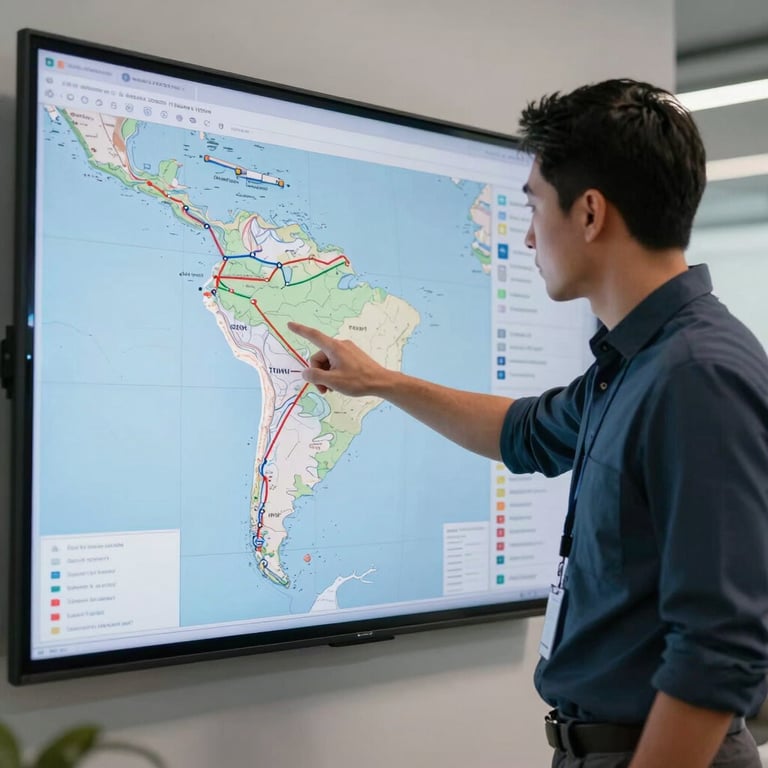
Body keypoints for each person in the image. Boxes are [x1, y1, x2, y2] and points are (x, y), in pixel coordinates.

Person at [288, 78, 768, 767]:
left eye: (534, 204)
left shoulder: (696, 375)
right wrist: (380, 382)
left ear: (591, 214)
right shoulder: (636, 363)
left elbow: (719, 648)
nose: (527, 231)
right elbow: (524, 433)